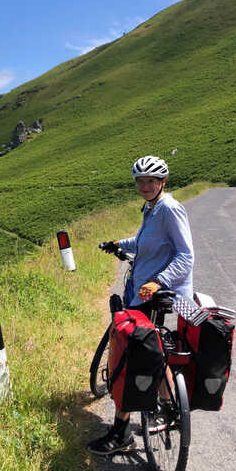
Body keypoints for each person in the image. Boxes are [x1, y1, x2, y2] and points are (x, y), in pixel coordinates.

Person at [86, 155, 195, 455]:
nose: (145, 186)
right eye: (140, 181)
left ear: (163, 182)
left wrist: (159, 280)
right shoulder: (152, 208)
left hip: (154, 293)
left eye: (151, 181)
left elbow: (186, 255)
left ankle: (120, 433)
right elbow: (144, 242)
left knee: (132, 354)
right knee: (153, 351)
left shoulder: (170, 209)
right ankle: (170, 403)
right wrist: (118, 245)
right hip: (145, 292)